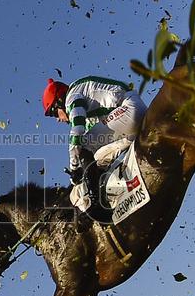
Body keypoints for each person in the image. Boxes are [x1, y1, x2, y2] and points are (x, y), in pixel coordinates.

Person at [42, 75, 147, 221]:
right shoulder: (85, 97)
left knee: (83, 145)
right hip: (131, 109)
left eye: (54, 113)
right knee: (95, 156)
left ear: (59, 101)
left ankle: (96, 203)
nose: (58, 119)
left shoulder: (72, 97)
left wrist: (74, 167)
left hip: (128, 109)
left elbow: (77, 132)